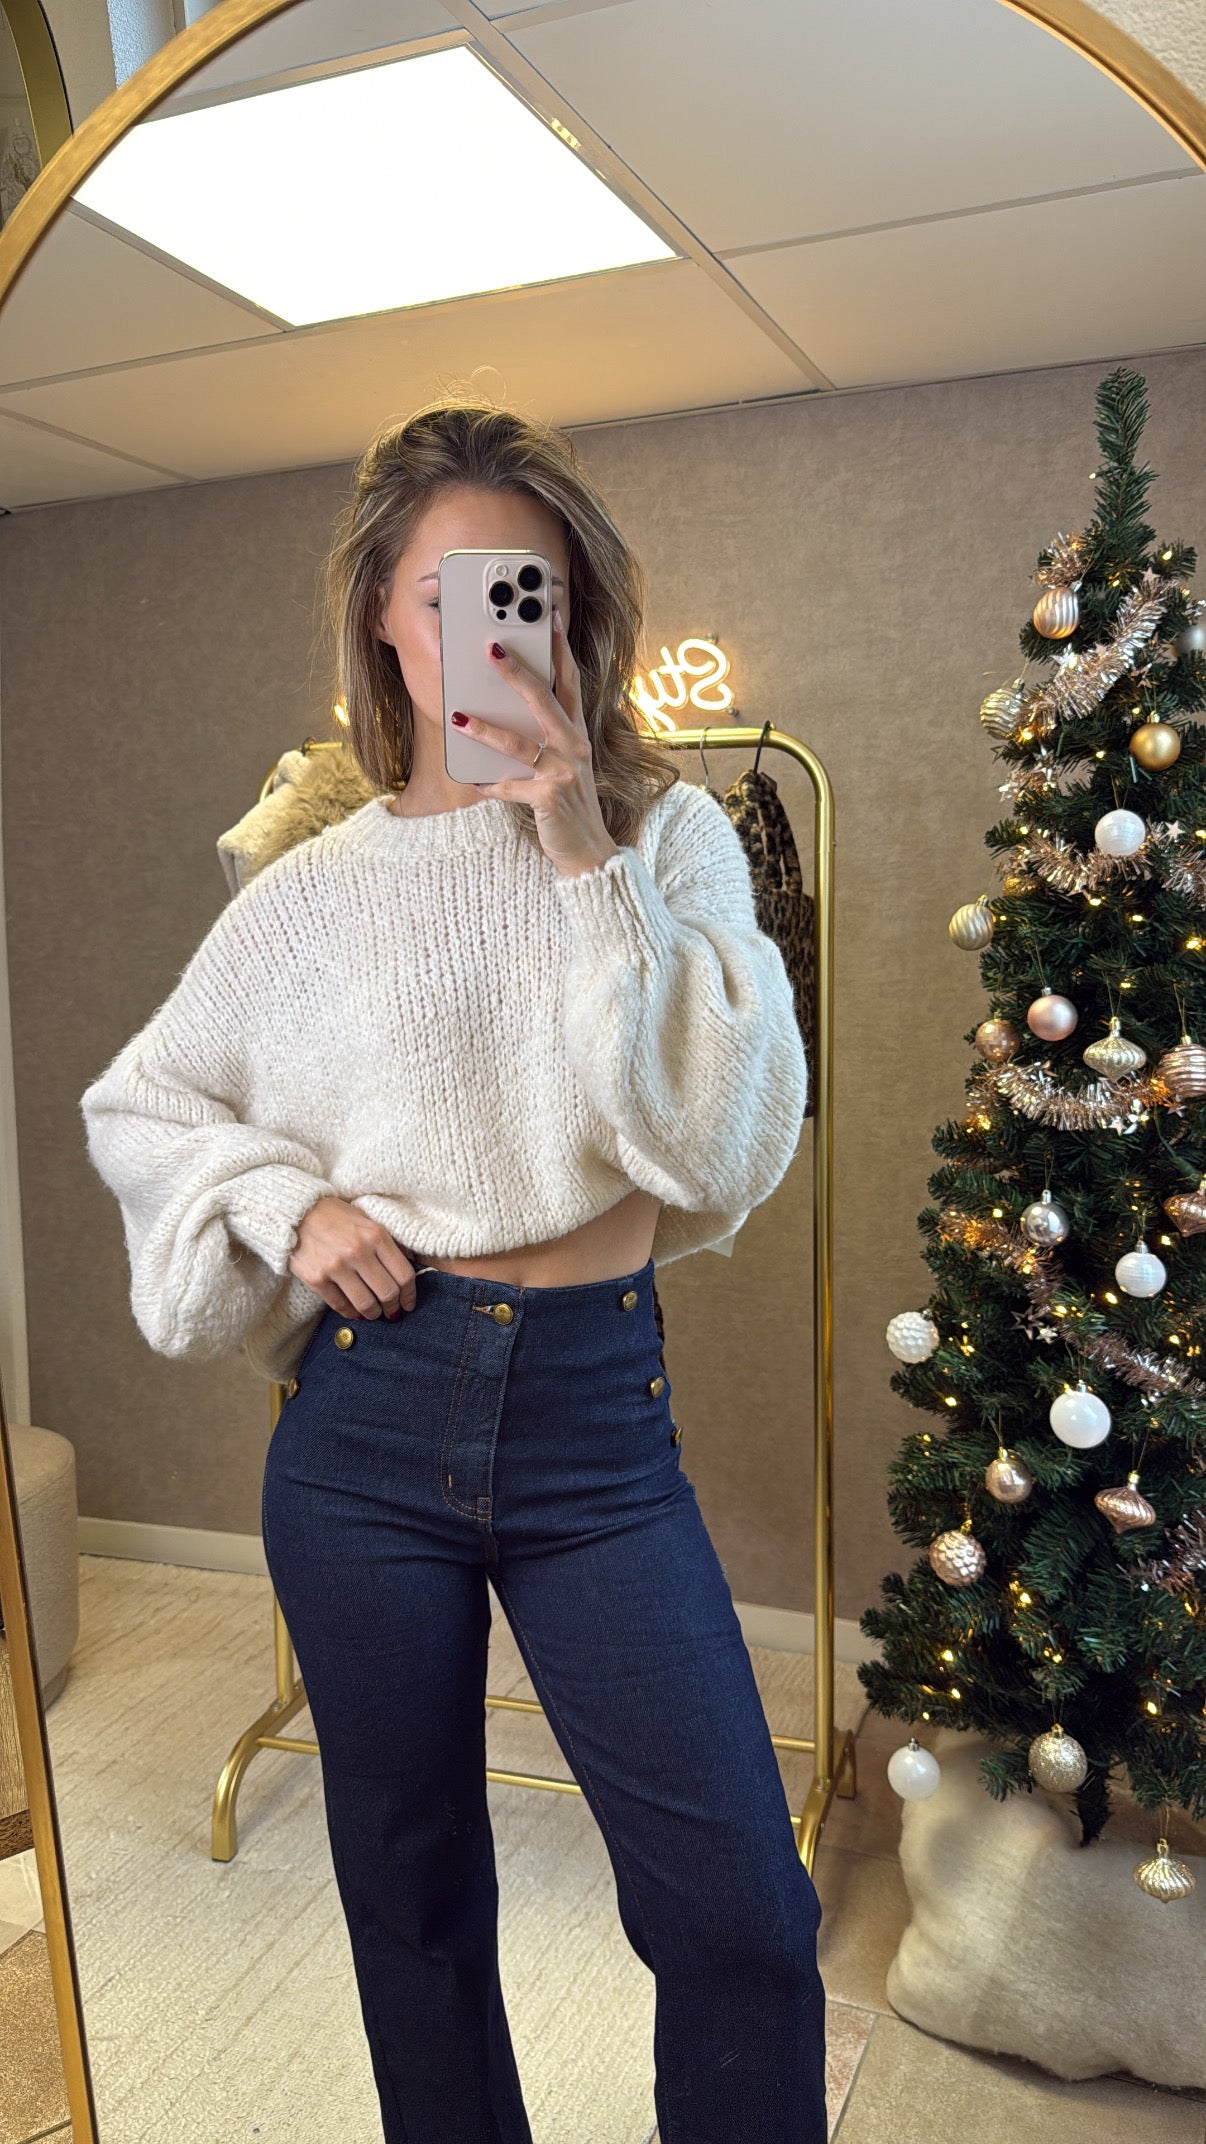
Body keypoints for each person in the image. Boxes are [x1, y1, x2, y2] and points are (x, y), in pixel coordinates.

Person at [80, 399, 827, 2144]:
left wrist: (576, 855)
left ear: (573, 615)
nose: (492, 627)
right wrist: (284, 1202)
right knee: (410, 1897)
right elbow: (144, 1101)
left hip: (594, 1432)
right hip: (367, 1426)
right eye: (448, 593)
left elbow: (716, 1145)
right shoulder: (310, 891)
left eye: (526, 590)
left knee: (741, 1913)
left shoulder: (667, 842)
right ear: (384, 622)